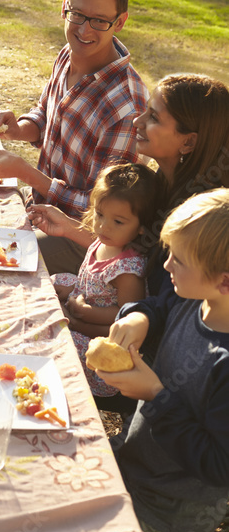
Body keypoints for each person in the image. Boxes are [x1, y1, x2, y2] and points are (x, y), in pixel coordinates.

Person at [0, 0, 148, 274]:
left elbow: (105, 210)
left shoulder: (126, 107)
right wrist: (18, 130)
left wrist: (26, 174)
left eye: (99, 21)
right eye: (78, 15)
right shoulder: (69, 53)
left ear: (120, 22)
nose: (84, 30)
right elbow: (45, 116)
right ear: (64, 7)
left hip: (82, 240)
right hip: (39, 210)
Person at [96, 189, 229, 532]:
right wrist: (140, 316)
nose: (166, 265)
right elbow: (159, 306)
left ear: (224, 280)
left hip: (166, 509)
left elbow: (219, 465)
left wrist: (156, 396)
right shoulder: (192, 298)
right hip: (129, 462)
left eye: (179, 260)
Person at [28, 73, 229, 293]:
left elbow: (162, 304)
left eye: (153, 117)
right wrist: (68, 227)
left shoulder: (199, 216)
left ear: (188, 142)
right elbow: (129, 245)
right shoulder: (161, 181)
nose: (137, 121)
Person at [53, 162, 164, 397]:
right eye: (99, 214)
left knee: (59, 341)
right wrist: (71, 288)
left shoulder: (126, 270)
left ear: (142, 227)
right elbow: (90, 281)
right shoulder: (104, 241)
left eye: (118, 221)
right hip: (84, 305)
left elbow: (124, 315)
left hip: (101, 340)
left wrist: (83, 317)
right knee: (52, 281)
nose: (103, 226)